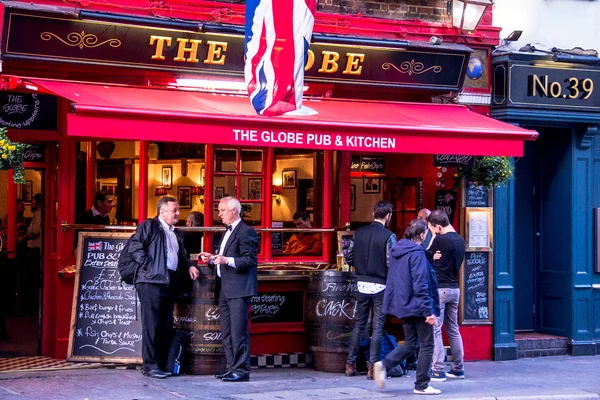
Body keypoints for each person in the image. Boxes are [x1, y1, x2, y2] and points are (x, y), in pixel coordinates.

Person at [128, 195, 195, 379]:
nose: (178, 213)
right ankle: (149, 366)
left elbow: (181, 256)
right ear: (162, 211)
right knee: (152, 325)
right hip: (150, 282)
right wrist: (149, 266)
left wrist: (189, 265)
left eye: (178, 210)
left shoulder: (176, 232)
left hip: (168, 281)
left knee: (165, 324)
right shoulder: (149, 226)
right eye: (174, 210)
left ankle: (160, 364)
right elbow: (135, 246)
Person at [373, 219, 440, 395]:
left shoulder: (398, 251)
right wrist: (429, 311)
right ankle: (422, 385)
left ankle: (384, 364)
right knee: (427, 345)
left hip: (403, 304)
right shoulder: (417, 254)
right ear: (422, 235)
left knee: (411, 343)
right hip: (418, 306)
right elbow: (420, 283)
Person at [197, 197, 258, 382]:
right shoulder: (227, 232)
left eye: (222, 210)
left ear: (234, 210)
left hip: (239, 288)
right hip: (225, 287)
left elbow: (250, 260)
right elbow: (225, 258)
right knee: (227, 331)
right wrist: (212, 259)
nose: (219, 214)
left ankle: (241, 370)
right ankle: (232, 368)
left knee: (238, 332)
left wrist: (226, 260)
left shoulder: (246, 232)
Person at [345, 200, 396, 379]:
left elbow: (349, 257)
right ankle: (372, 367)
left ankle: (350, 364)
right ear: (388, 216)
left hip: (361, 283)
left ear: (374, 213)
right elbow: (391, 262)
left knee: (359, 324)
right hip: (380, 284)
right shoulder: (389, 236)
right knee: (377, 327)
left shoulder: (359, 233)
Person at [427, 210, 466, 382]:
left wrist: (434, 238)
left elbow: (424, 255)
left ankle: (438, 369)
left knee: (436, 329)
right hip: (454, 289)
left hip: (440, 289)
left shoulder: (440, 239)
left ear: (437, 226)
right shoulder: (460, 240)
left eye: (432, 228)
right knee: (453, 328)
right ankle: (458, 368)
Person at [21, 193, 42, 314]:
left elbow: (34, 231)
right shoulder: (39, 214)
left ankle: (29, 306)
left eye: (33, 203)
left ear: (38, 204)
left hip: (35, 248)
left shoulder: (38, 214)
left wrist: (23, 237)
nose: (31, 205)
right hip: (37, 249)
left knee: (31, 278)